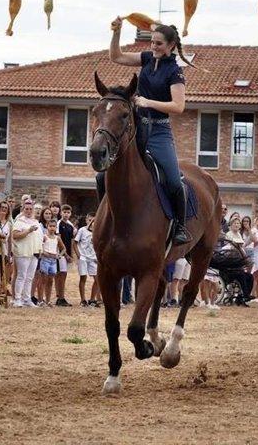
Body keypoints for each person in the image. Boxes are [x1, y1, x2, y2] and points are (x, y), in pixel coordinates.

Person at [106, 17, 198, 245]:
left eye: (158, 44)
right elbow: (116, 57)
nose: (153, 47)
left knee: (175, 181)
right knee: (102, 174)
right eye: (152, 42)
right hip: (136, 129)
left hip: (159, 131)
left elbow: (179, 106)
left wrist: (148, 102)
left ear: (171, 46)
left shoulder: (175, 72)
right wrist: (117, 32)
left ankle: (179, 226)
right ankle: (105, 219)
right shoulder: (147, 59)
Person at [11, 199, 42, 308]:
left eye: (30, 209)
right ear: (23, 210)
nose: (29, 211)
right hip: (23, 252)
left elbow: (39, 236)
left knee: (30, 277)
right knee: (21, 275)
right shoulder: (19, 221)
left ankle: (27, 298)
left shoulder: (35, 222)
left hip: (34, 252)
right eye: (27, 209)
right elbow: (15, 235)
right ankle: (17, 298)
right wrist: (28, 231)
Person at [39, 219, 67, 307]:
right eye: (50, 226)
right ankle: (40, 300)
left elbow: (63, 248)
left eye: (54, 226)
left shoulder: (57, 238)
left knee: (50, 281)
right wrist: (43, 252)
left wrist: (59, 255)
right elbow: (39, 246)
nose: (52, 228)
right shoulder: (44, 236)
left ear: (56, 228)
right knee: (43, 280)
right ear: (47, 226)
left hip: (53, 261)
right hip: (45, 259)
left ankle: (48, 300)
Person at [74, 212, 100, 306]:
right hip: (83, 257)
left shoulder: (98, 231)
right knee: (83, 277)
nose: (92, 222)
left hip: (93, 258)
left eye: (94, 220)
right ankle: (83, 300)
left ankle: (92, 299)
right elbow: (75, 242)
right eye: (90, 220)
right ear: (86, 220)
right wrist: (79, 255)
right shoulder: (82, 230)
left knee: (97, 279)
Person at [55, 204, 76, 307]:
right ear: (61, 212)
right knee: (60, 275)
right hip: (61, 253)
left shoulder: (70, 225)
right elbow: (59, 239)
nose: (66, 214)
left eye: (68, 212)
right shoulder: (59, 223)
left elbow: (71, 241)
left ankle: (61, 296)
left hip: (67, 254)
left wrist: (71, 254)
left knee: (64, 275)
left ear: (70, 214)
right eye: (64, 212)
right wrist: (65, 254)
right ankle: (60, 298)